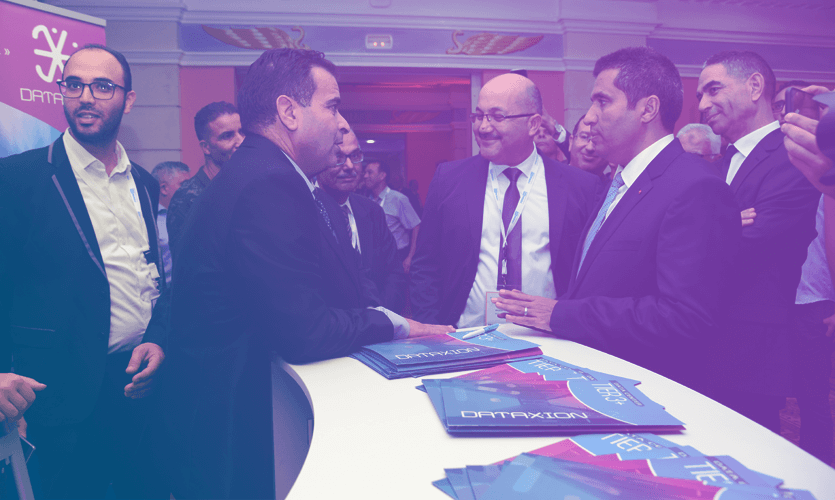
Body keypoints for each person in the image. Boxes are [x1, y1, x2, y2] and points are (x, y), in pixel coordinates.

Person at [163, 48, 453, 499]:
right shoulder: (270, 181)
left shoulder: (262, 170)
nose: (341, 123)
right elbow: (305, 331)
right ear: (289, 112)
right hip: (236, 423)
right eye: (332, 106)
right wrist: (394, 324)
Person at [493, 47, 741, 391]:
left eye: (603, 101)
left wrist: (560, 315)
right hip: (601, 380)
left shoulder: (695, 187)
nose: (589, 117)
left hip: (650, 390)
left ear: (647, 109)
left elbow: (686, 317)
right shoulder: (618, 182)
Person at [0, 44, 168, 499]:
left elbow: (150, 276)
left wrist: (158, 338)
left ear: (128, 100)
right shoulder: (18, 177)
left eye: (102, 86)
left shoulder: (144, 183)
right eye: (74, 85)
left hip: (137, 385)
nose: (86, 97)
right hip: (57, 395)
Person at [410, 73, 599, 328]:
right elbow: (425, 265)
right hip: (465, 336)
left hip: (550, 338)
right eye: (479, 116)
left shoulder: (580, 187)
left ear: (533, 124)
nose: (483, 127)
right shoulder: (449, 179)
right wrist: (433, 330)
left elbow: (589, 274)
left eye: (497, 117)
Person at [695, 50, 819, 432]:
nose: (701, 105)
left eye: (713, 90)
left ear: (754, 87)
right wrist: (725, 225)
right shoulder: (717, 164)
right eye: (700, 95)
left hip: (751, 351)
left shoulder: (792, 155)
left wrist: (708, 230)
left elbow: (754, 245)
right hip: (703, 341)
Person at [317, 129, 408, 313]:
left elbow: (394, 273)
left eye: (355, 156)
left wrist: (381, 317)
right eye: (338, 156)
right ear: (318, 161)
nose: (349, 166)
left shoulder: (372, 211)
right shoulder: (307, 209)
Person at [791, 194, 835, 463]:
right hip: (799, 298)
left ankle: (820, 469)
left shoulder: (827, 184)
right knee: (806, 392)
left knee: (812, 396)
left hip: (816, 301)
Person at [166, 101, 244, 254]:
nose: (240, 141)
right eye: (227, 136)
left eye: (242, 132)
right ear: (206, 147)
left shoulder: (245, 185)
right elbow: (186, 262)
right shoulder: (187, 198)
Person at [365, 159, 422, 273]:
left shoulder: (398, 199)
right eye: (365, 173)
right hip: (376, 258)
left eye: (369, 172)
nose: (365, 176)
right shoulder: (367, 201)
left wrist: (410, 257)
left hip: (397, 257)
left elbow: (416, 226)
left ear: (382, 176)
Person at [151, 160, 189, 283]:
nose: (190, 190)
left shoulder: (191, 212)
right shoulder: (151, 220)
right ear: (164, 188)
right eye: (184, 184)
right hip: (164, 290)